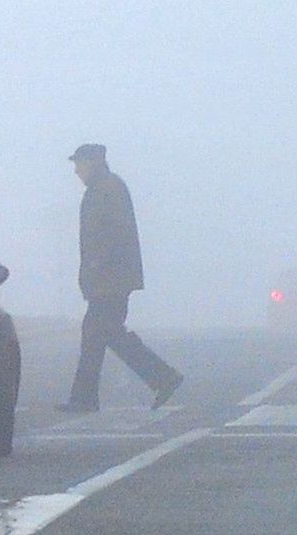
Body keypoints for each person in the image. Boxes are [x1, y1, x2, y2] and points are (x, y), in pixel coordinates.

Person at [57, 143, 183, 413]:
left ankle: (161, 377)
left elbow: (111, 237)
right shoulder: (104, 188)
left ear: (92, 162)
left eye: (79, 164)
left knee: (102, 332)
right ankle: (87, 397)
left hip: (110, 280)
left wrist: (97, 268)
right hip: (108, 278)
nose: (76, 171)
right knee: (100, 333)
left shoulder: (106, 189)